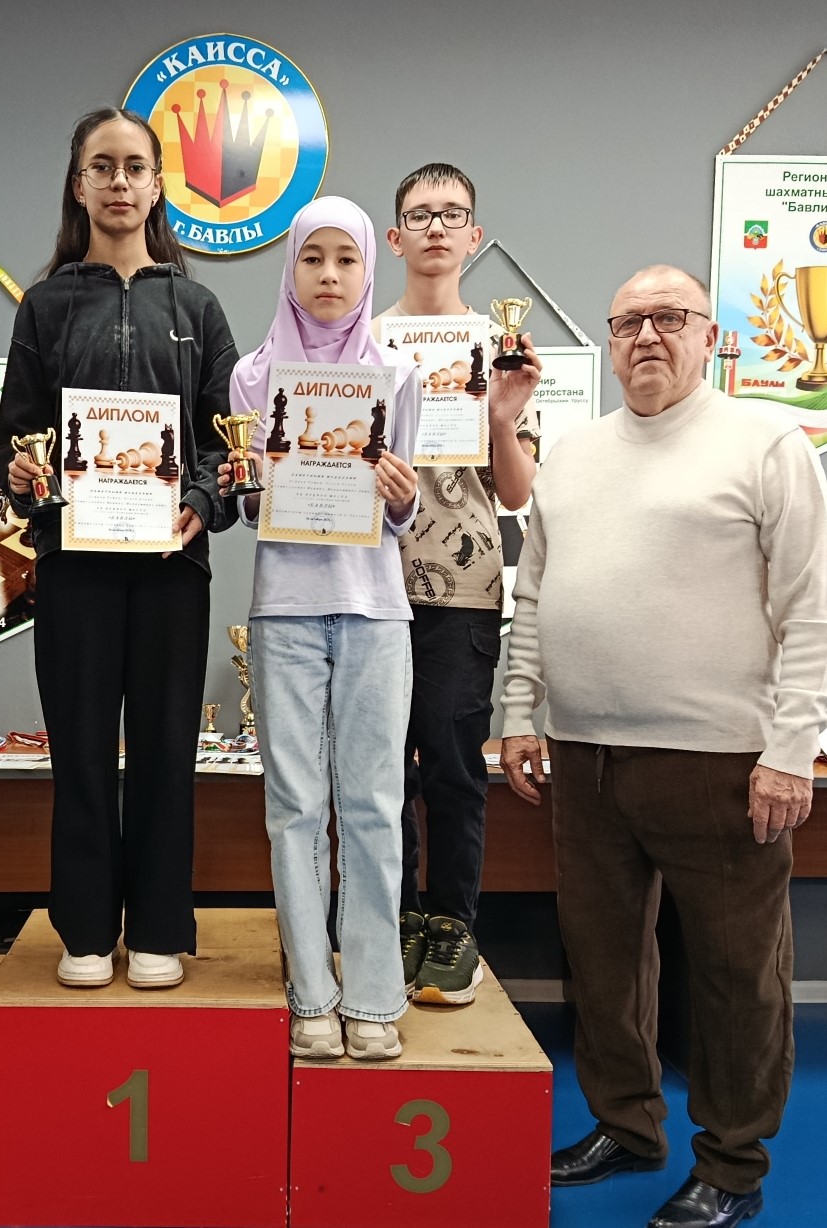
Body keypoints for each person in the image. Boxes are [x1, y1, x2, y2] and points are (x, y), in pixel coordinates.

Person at [500, 266, 827, 1228]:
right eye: (627, 322)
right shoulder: (572, 453)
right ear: (610, 342)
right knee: (603, 960)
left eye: (668, 317)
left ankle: (732, 1162)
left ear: (706, 335)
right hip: (583, 757)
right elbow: (535, 594)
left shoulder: (766, 443)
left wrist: (790, 748)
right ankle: (626, 1123)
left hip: (721, 765)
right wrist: (519, 710)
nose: (646, 335)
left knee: (736, 974)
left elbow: (811, 612)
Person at [0, 107, 237, 990]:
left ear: (158, 184)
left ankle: (161, 929)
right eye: (102, 166)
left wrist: (202, 502)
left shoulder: (197, 306)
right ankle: (87, 930)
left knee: (169, 748)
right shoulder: (44, 305)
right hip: (75, 568)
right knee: (81, 749)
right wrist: (24, 473)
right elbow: (17, 436)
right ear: (79, 184)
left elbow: (225, 442)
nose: (119, 182)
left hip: (173, 568)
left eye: (135, 166)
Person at [224, 196, 422, 1060]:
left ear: (368, 268)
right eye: (313, 258)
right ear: (290, 267)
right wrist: (247, 488)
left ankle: (373, 996)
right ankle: (312, 991)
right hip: (284, 610)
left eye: (346, 259)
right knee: (294, 807)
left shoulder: (399, 375)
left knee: (373, 805)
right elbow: (246, 506)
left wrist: (402, 498)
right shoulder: (251, 377)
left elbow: (402, 511)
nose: (329, 275)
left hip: (375, 608)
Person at [371, 163, 540, 1004]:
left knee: (449, 765)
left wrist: (502, 419)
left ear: (472, 236)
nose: (435, 227)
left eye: (451, 215)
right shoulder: (360, 343)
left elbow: (515, 492)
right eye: (419, 215)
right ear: (394, 238)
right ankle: (394, 919)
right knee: (380, 771)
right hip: (368, 588)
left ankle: (452, 927)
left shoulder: (498, 347)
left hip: (464, 589)